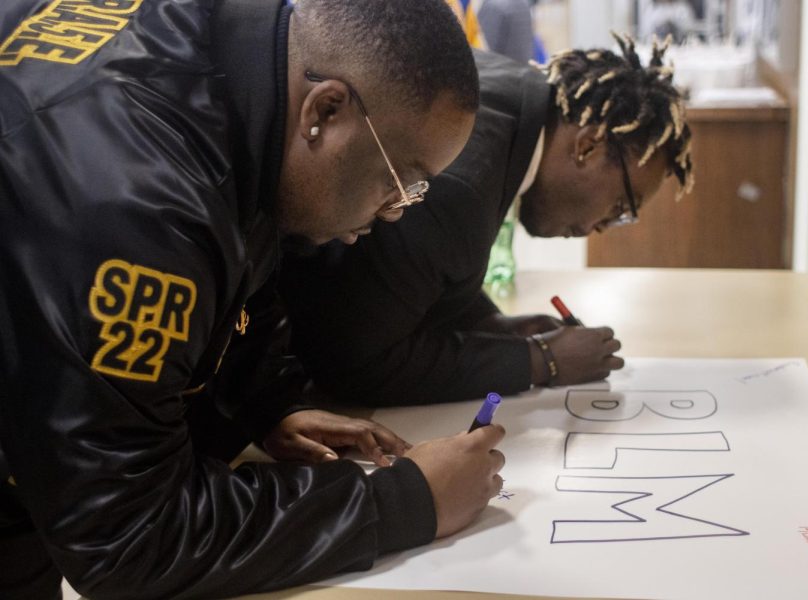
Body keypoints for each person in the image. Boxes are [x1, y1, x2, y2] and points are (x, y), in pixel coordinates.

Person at [0, 1, 505, 599]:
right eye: (400, 182)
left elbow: (243, 235)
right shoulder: (138, 204)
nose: (395, 213)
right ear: (327, 110)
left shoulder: (238, 57)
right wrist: (402, 503)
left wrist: (266, 401)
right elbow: (127, 535)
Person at [280, 34, 694, 406]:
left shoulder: (507, 92)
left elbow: (411, 275)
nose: (602, 227)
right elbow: (358, 365)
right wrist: (540, 361)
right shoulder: (461, 184)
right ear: (587, 147)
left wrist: (490, 324)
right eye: (621, 206)